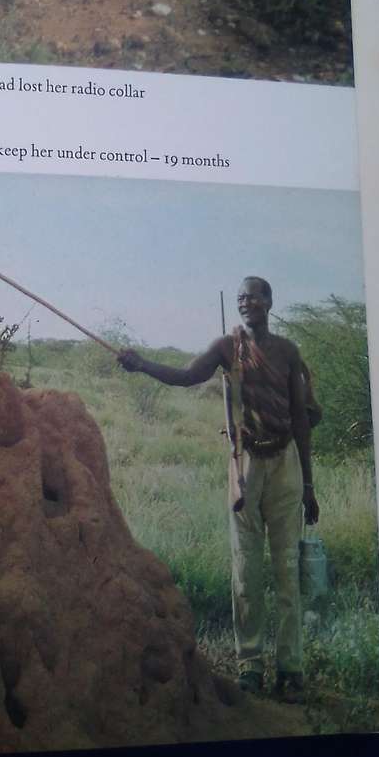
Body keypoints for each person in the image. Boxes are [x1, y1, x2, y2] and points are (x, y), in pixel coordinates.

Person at [118, 276, 319, 703]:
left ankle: (291, 668)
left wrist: (309, 484)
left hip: (284, 466)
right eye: (242, 298)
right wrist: (142, 365)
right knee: (246, 572)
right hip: (244, 465)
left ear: (270, 302)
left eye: (256, 296)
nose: (247, 303)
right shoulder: (226, 348)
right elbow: (186, 376)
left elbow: (302, 418)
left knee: (287, 573)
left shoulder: (286, 351)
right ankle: (250, 665)